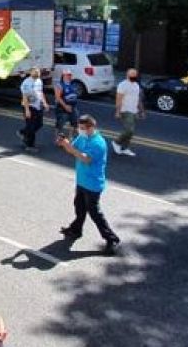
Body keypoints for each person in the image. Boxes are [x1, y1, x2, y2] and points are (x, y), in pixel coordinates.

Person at [57, 115, 121, 254]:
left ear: (91, 127)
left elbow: (86, 159)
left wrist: (69, 147)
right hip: (81, 181)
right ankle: (76, 230)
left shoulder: (98, 143)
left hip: (93, 184)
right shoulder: (83, 137)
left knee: (94, 213)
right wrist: (64, 143)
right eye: (79, 128)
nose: (80, 130)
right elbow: (72, 149)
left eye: (82, 128)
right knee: (79, 206)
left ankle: (112, 239)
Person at [113, 68, 145, 157]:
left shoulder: (136, 85)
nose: (134, 77)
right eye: (132, 75)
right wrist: (118, 111)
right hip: (125, 110)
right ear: (127, 75)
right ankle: (116, 142)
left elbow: (138, 99)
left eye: (135, 75)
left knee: (131, 132)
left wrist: (141, 111)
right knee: (129, 130)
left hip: (134, 111)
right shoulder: (122, 85)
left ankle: (125, 148)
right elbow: (118, 99)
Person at [19, 68, 48, 152]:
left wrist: (45, 103)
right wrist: (27, 110)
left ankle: (24, 132)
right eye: (35, 72)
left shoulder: (39, 81)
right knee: (31, 126)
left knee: (39, 124)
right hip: (29, 106)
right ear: (30, 72)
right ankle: (30, 145)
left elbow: (41, 92)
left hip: (38, 106)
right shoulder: (27, 82)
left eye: (38, 71)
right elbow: (25, 96)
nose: (37, 73)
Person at [54, 69, 81, 138]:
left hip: (73, 107)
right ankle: (58, 138)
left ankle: (70, 137)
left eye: (70, 75)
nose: (69, 76)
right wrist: (65, 106)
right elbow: (58, 97)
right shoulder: (59, 85)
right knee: (60, 124)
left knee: (74, 123)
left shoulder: (72, 84)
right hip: (62, 108)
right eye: (68, 75)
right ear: (63, 76)